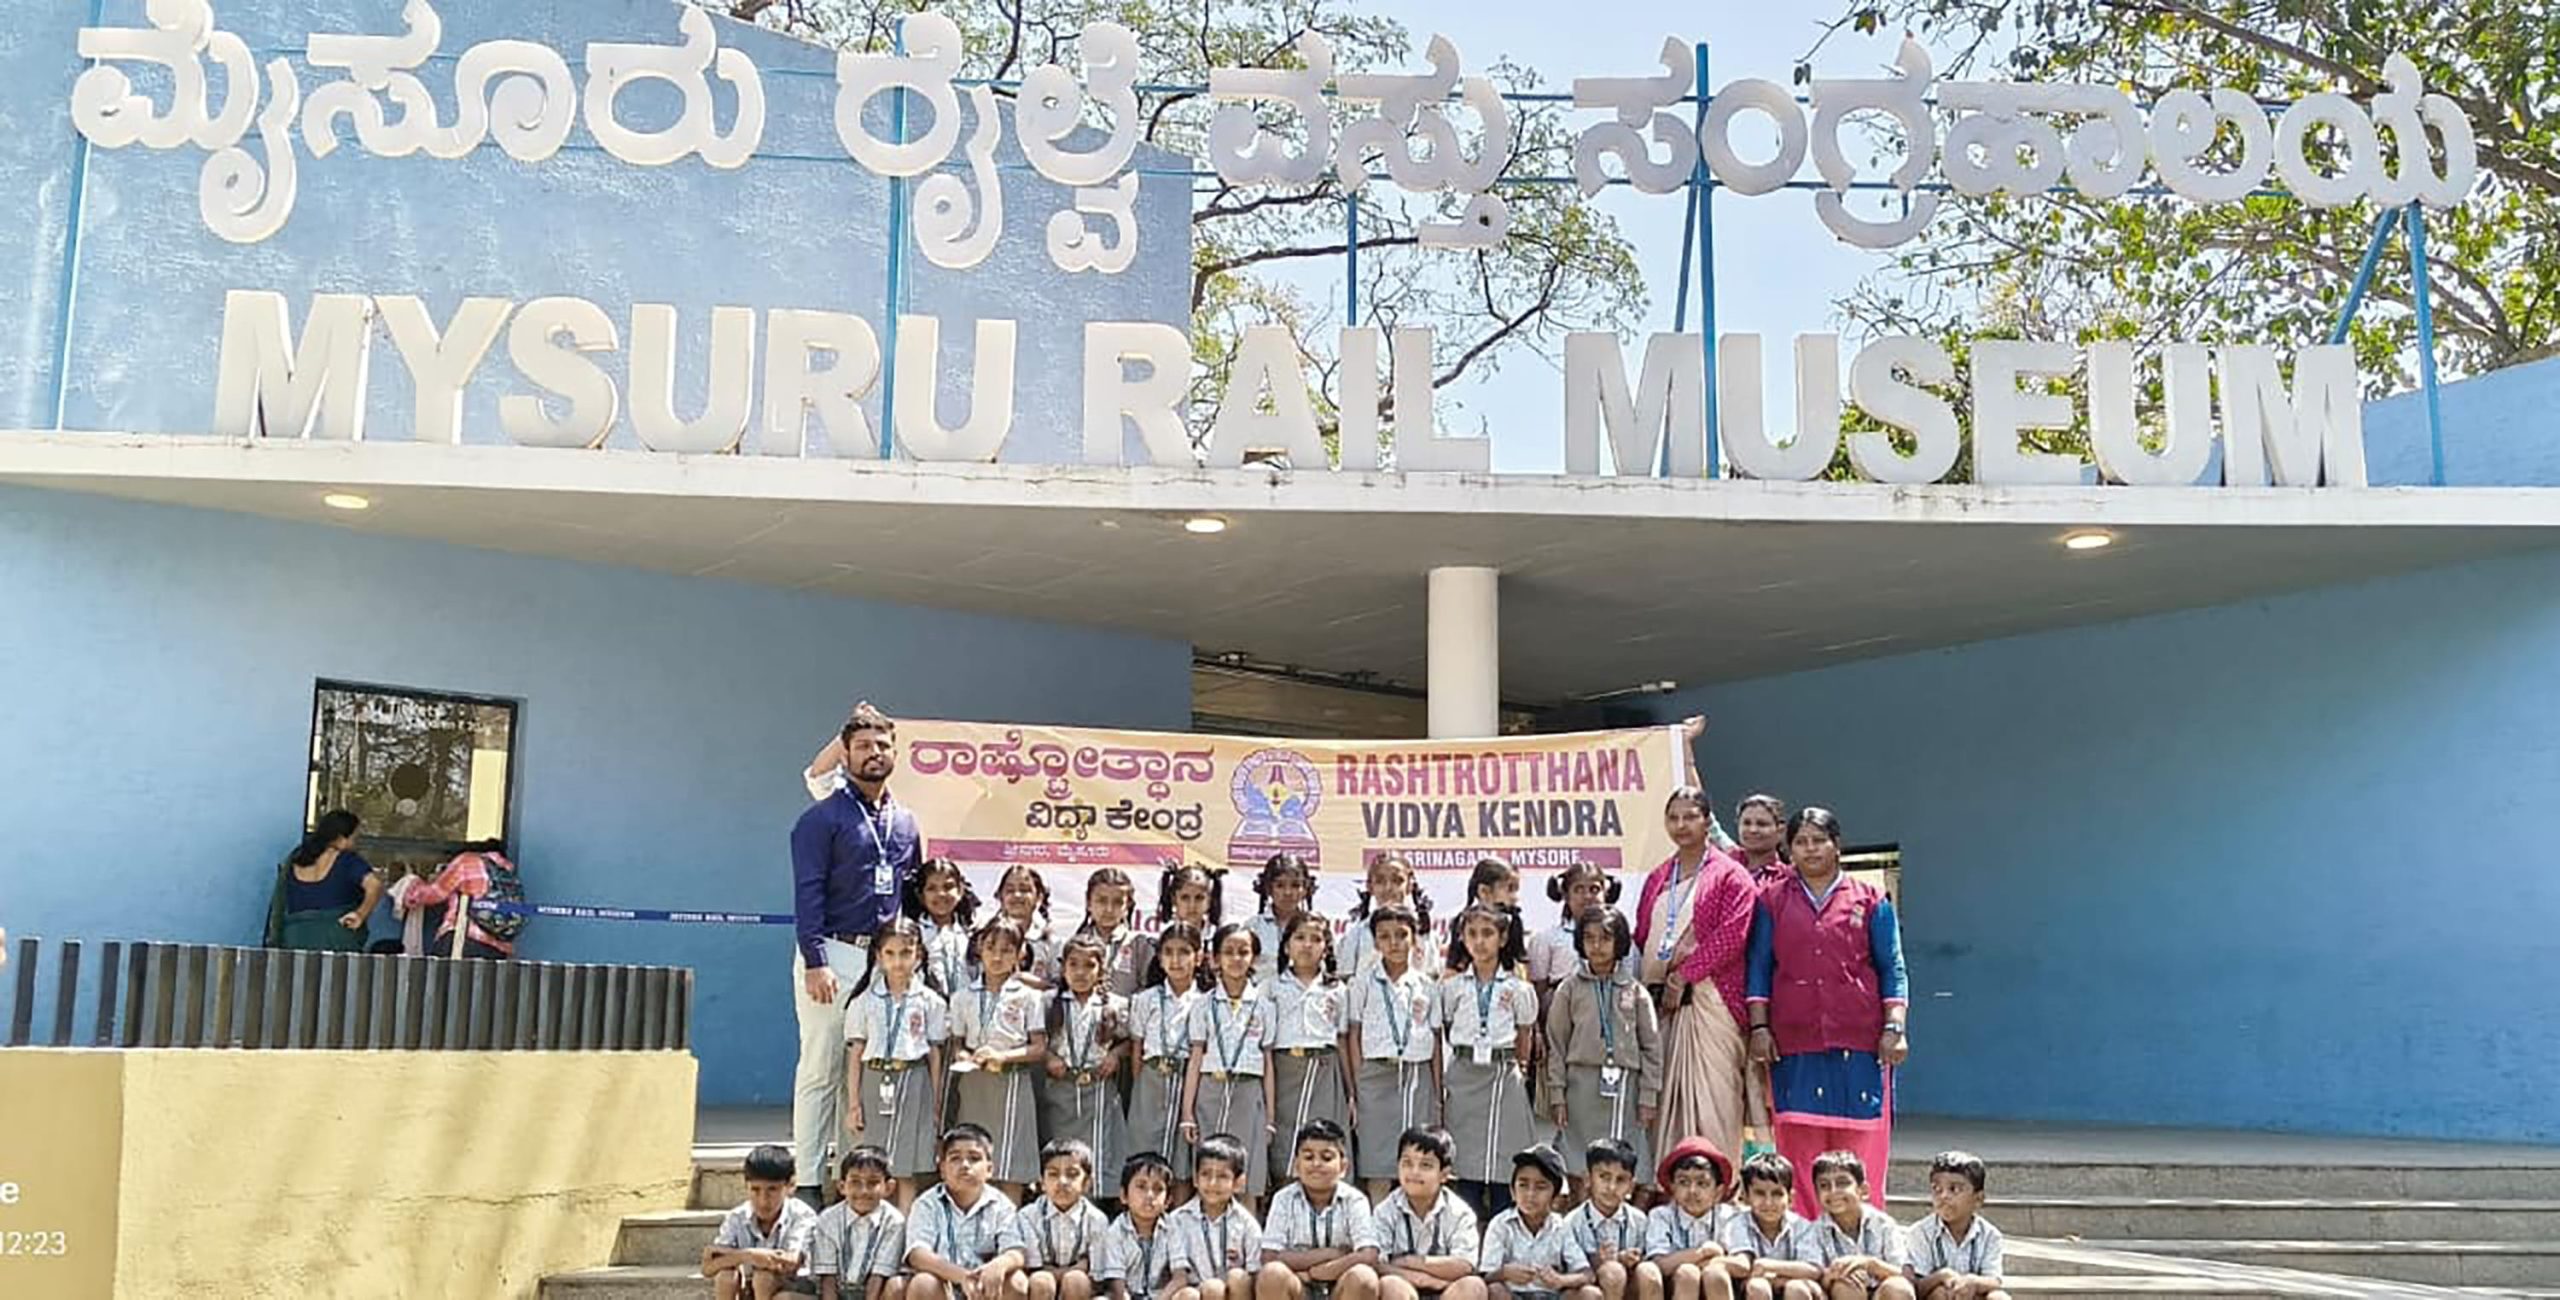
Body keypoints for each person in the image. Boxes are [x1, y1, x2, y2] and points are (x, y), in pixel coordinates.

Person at [1744, 809, 1907, 1218]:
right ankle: (1806, 1239)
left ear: (1837, 844)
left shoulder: (1870, 900)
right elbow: (1760, 966)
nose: (1810, 849)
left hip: (1860, 1041)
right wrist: (1760, 1027)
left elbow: (1892, 966)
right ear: (1790, 848)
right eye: (1801, 841)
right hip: (1794, 1042)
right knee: (1800, 1144)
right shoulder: (1773, 900)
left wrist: (1895, 1026)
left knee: (1861, 1144)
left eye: (1819, 840)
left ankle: (1863, 1238)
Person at [794, 703, 927, 1203]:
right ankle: (808, 1180)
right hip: (833, 952)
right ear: (846, 753)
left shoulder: (905, 821)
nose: (875, 753)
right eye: (864, 746)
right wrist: (814, 959)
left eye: (883, 745)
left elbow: (910, 895)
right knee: (821, 1067)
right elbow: (806, 890)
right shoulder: (823, 816)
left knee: (867, 1069)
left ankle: (856, 1177)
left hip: (886, 962)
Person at [1632, 788, 1758, 1169]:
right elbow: (1642, 932)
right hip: (1663, 1008)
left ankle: (1717, 1186)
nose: (1681, 825)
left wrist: (1686, 975)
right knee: (1663, 1096)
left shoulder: (1730, 875)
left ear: (1707, 821)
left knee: (1713, 1099)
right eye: (1674, 818)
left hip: (1711, 1004)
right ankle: (1666, 1188)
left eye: (1690, 816)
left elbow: (1733, 934)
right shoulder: (1658, 876)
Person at [1543, 905, 1662, 1196]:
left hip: (1624, 1088)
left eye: (1605, 939)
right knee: (1578, 1160)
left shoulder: (1634, 991)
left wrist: (1648, 1096)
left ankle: (1625, 1225)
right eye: (1589, 938)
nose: (1596, 946)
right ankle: (1580, 1223)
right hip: (1580, 1086)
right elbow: (1555, 1044)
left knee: (1626, 1158)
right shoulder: (1569, 989)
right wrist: (1556, 1093)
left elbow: (1652, 1047)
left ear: (1620, 942)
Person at [1437, 903, 1539, 1220]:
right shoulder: (1452, 988)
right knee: (1463, 1151)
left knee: (1503, 1150)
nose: (1480, 941)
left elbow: (1525, 1032)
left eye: (1488, 933)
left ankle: (1499, 1223)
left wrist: (1520, 1068)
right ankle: (1467, 1225)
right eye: (1472, 934)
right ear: (1462, 938)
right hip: (1465, 1070)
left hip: (1502, 1070)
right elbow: (1447, 1026)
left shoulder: (1517, 988)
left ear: (1503, 937)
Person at [845, 920, 949, 1208]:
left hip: (914, 1080)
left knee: (905, 1166)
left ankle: (904, 1234)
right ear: (878, 956)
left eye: (905, 953)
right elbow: (855, 1052)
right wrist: (854, 1104)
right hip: (875, 1079)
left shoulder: (931, 1002)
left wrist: (937, 1103)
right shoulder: (863, 1001)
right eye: (889, 953)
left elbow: (934, 1055)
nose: (898, 961)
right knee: (872, 1161)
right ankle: (876, 1227)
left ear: (919, 955)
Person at [1343, 906, 1442, 1200]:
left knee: (1418, 1155)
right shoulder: (1362, 983)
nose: (1394, 943)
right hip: (1375, 1075)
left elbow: (1436, 1040)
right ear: (1375, 942)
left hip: (1416, 1073)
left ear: (1414, 940)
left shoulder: (1426, 985)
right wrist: (1358, 1083)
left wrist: (1437, 1092)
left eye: (1402, 935)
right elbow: (1353, 1035)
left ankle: (1413, 1230)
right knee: (1379, 1159)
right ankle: (1378, 1235)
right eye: (1385, 936)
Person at [953, 917, 1052, 1202]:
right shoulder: (963, 996)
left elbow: (1038, 1048)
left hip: (1012, 1081)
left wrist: (1003, 1056)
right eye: (990, 948)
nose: (997, 957)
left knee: (1010, 1161)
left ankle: (1008, 1230)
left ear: (1020, 954)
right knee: (973, 1154)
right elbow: (958, 1042)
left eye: (1007, 950)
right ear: (978, 949)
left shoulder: (1028, 997)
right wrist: (965, 1055)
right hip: (974, 1082)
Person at [1182, 924, 1277, 1204]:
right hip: (1211, 1089)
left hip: (1248, 1091)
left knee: (1245, 1174)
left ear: (1254, 959)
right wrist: (1187, 1111)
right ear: (1214, 959)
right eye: (1228, 952)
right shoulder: (1203, 1004)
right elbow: (1196, 1058)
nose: (1236, 959)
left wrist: (1270, 1117)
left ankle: (1246, 1243)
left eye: (1243, 952)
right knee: (1209, 1170)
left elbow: (1268, 1062)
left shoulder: (1265, 1005)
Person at [1041, 935, 1130, 1202]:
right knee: (1062, 1154)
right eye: (1073, 964)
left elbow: (1131, 1041)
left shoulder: (1115, 1005)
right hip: (1060, 1089)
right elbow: (1032, 1041)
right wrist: (1047, 1057)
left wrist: (1115, 1053)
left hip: (1099, 1090)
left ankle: (1097, 1215)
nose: (1080, 973)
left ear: (1101, 969)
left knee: (1099, 1154)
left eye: (1089, 965)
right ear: (1063, 967)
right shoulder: (1048, 1002)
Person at [1255, 1119, 1381, 1300]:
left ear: (1343, 1167)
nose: (1316, 1164)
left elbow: (1369, 1255)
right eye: (1308, 1157)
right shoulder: (1284, 1199)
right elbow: (1270, 1256)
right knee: (1272, 1274)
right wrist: (1329, 1254)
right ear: (1297, 1165)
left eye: (1326, 1158)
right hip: (1298, 1287)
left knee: (1363, 1277)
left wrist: (1321, 1272)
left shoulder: (1355, 1200)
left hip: (1340, 1286)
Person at [1265, 913, 1349, 1183]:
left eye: (1316, 939)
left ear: (1326, 947)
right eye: (1299, 937)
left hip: (1324, 1070)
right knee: (1284, 1143)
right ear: (1287, 945)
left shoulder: (1337, 989)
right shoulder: (1272, 987)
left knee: (1321, 1140)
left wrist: (1351, 1090)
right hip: (1285, 1070)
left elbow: (1344, 1040)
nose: (1307, 945)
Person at [1130, 922, 1210, 1200]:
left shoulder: (1206, 1000)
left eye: (1184, 952)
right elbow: (1137, 1049)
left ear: (1199, 957)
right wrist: (1142, 1084)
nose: (1176, 960)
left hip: (1190, 1080)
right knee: (1144, 1151)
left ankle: (1178, 1225)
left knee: (1182, 1158)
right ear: (1159, 957)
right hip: (1151, 1081)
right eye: (1168, 952)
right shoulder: (1146, 999)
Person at [905, 1124, 1027, 1300]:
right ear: (942, 1170)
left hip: (985, 1289)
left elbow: (1016, 1250)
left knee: (1017, 1281)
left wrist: (998, 1266)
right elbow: (917, 1254)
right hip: (944, 1286)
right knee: (923, 1283)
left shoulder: (1001, 1205)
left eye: (974, 1158)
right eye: (955, 1159)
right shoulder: (927, 1203)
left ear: (989, 1169)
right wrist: (962, 1276)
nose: (964, 1165)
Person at [1372, 1127, 1485, 1300]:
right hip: (1407, 1285)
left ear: (1444, 1174)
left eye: (1425, 1165)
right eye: (1407, 1163)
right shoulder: (1385, 1210)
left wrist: (1410, 1261)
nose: (1414, 1172)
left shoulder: (1460, 1212)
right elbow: (1378, 1264)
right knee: (1391, 1285)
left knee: (1473, 1286)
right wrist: (1424, 1280)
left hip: (1447, 1289)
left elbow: (1464, 1265)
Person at [706, 1143, 821, 1298]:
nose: (763, 1200)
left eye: (772, 1190)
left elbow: (791, 1262)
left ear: (790, 1186)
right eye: (755, 1190)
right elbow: (708, 1266)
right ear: (746, 1186)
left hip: (794, 1288)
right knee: (726, 1277)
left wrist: (739, 1256)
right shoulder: (737, 1217)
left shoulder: (802, 1215)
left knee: (764, 1279)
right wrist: (748, 1255)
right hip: (750, 1287)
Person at [1476, 1146, 1590, 1300]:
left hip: (1551, 1295)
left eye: (1541, 1187)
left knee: (1590, 1294)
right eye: (1523, 1185)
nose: (1530, 1195)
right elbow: (1485, 1276)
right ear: (1512, 1191)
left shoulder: (1561, 1227)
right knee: (1495, 1290)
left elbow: (1587, 1274)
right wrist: (1505, 1273)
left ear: (1555, 1196)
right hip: (1512, 1294)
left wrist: (1560, 1280)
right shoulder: (1501, 1224)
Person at [265, 809, 382, 952]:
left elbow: (280, 903)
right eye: (354, 838)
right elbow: (374, 885)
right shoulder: (347, 861)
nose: (354, 844)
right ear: (341, 838)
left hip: (295, 939)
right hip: (334, 940)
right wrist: (360, 914)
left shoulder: (297, 857)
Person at [1642, 1137, 1739, 1300]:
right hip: (1674, 1289)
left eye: (1702, 1183)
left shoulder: (1731, 1217)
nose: (1692, 1191)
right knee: (1687, 1274)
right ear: (1672, 1187)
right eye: (1683, 1182)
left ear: (1718, 1191)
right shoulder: (1660, 1216)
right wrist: (1702, 1253)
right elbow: (1661, 1264)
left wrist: (1705, 1264)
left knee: (1713, 1275)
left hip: (1721, 1287)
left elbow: (1742, 1264)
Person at [1806, 1152, 1911, 1300]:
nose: (1833, 1191)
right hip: (1840, 1294)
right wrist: (1833, 1275)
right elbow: (1814, 1277)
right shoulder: (1814, 1231)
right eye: (1824, 1186)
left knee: (1898, 1287)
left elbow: (1904, 1273)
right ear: (1817, 1195)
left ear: (1863, 1191)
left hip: (1881, 1292)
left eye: (1842, 1183)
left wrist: (1870, 1264)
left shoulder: (1883, 1225)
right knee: (1846, 1285)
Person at [1015, 1139, 1111, 1300]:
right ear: (1042, 1183)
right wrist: (1077, 1267)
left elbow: (1096, 1274)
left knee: (1076, 1281)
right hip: (1041, 1284)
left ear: (1087, 1183)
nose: (1062, 1182)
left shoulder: (1097, 1219)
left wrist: (1075, 1272)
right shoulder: (1028, 1216)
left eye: (1072, 1174)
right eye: (1053, 1174)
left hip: (1081, 1288)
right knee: (1041, 1281)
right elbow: (1034, 1267)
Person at [1172, 1134, 1264, 1300]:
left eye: (1222, 1176)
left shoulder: (1246, 1224)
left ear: (1238, 1182)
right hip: (1198, 1293)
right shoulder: (1178, 1220)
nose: (1213, 1183)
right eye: (1206, 1174)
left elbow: (1255, 1273)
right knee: (1200, 1292)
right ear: (1195, 1178)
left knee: (1238, 1277)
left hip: (1236, 1294)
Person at [1904, 1153, 2007, 1300]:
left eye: (1954, 1189)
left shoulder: (1990, 1235)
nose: (1944, 1196)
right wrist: (1941, 1276)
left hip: (1973, 1295)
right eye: (1937, 1189)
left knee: (1998, 1297)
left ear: (1978, 1199)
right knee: (1940, 1293)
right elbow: (1916, 1288)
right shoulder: (1921, 1233)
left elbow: (1994, 1280)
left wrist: (1972, 1282)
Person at [400, 839, 524, 959]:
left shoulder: (467, 861)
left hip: (462, 940)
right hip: (497, 948)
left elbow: (433, 894)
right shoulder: (506, 869)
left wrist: (408, 886)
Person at [812, 1146, 908, 1300]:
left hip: (876, 1294)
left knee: (897, 1286)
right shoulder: (827, 1219)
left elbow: (879, 1276)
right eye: (855, 1182)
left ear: (889, 1188)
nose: (864, 1191)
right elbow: (827, 1279)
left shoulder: (894, 1221)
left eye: (873, 1183)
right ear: (842, 1187)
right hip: (837, 1292)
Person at [1718, 1154, 1817, 1300]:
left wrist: (1767, 1266)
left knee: (1797, 1289)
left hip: (1789, 1287)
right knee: (1758, 1287)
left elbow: (1813, 1270)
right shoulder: (1737, 1224)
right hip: (1749, 1292)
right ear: (1745, 1197)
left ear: (1790, 1198)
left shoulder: (1801, 1227)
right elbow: (1744, 1266)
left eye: (1777, 1194)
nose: (1768, 1202)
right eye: (1760, 1193)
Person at [1560, 1139, 1648, 1300]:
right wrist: (1598, 1261)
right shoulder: (1571, 1223)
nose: (1611, 1187)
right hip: (1585, 1290)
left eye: (1620, 1180)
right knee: (1611, 1272)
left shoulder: (1640, 1221)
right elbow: (1571, 1273)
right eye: (1604, 1177)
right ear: (1587, 1179)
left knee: (1644, 1273)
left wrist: (1633, 1260)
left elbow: (1646, 1259)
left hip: (1626, 1288)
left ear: (1631, 1186)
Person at [1334, 853, 1430, 981]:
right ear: (1370, 887)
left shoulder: (1423, 934)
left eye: (1397, 881)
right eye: (1380, 881)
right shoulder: (1356, 936)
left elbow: (1432, 980)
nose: (1388, 888)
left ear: (1409, 885)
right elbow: (1345, 982)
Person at [1100, 1152, 1182, 1300]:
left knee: (1189, 1295)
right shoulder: (1115, 1231)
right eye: (1141, 1187)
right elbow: (1116, 1281)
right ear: (1124, 1196)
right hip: (1126, 1296)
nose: (1150, 1195)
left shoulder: (1173, 1227)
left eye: (1158, 1189)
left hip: (1161, 1296)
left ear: (1168, 1201)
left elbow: (1180, 1277)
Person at [905, 858, 981, 1001]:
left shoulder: (973, 930)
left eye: (948, 887)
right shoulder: (912, 933)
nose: (941, 894)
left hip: (968, 1010)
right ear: (921, 895)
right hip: (925, 1010)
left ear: (960, 890)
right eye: (931, 888)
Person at [1080, 869, 1156, 998]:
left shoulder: (1141, 945)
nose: (1109, 909)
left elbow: (1150, 991)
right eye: (1102, 901)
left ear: (1128, 906)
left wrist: (1120, 1006)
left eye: (1117, 902)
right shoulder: (1075, 944)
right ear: (1088, 903)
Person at [1248, 855, 1317, 989]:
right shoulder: (1253, 928)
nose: (1288, 892)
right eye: (1280, 885)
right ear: (1269, 888)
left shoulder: (1316, 928)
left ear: (1306, 889)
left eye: (1295, 885)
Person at [994, 865, 1064, 985]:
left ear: (1039, 897)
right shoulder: (986, 937)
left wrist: (1037, 984)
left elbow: (1060, 987)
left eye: (1025, 890)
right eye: (1010, 890)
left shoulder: (1052, 942)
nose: (1017, 895)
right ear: (1001, 896)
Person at [1729, 797, 1790, 887]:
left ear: (1780, 831)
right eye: (1746, 823)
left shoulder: (1786, 879)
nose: (1753, 830)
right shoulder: (1722, 865)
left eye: (1762, 824)